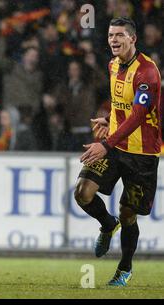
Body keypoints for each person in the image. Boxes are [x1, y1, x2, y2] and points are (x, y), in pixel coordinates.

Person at [74, 17, 161, 286]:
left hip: (141, 154)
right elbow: (122, 104)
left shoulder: (147, 72)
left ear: (133, 38)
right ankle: (107, 225)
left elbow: (138, 115)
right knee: (82, 192)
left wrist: (105, 144)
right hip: (115, 146)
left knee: (128, 213)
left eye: (120, 35)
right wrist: (110, 117)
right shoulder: (113, 65)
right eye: (111, 35)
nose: (114, 39)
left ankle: (124, 269)